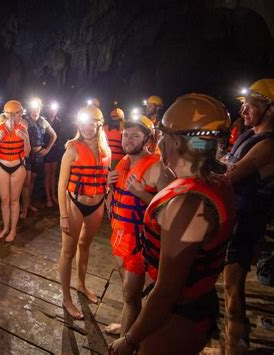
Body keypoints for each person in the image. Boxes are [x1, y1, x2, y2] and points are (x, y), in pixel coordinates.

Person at [109, 93, 235, 355]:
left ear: (175, 141)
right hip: (196, 301)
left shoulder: (187, 206)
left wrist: (129, 340)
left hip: (180, 313)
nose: (159, 142)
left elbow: (167, 291)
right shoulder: (216, 181)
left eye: (162, 135)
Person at [104, 114, 174, 336]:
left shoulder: (158, 168)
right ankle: (129, 322)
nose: (128, 140)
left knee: (131, 294)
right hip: (119, 235)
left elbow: (171, 213)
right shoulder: (124, 161)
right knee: (127, 291)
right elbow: (115, 198)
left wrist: (143, 194)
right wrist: (109, 186)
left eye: (135, 136)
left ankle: (128, 340)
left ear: (147, 139)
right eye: (125, 135)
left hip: (139, 243)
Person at [222, 79, 274, 353]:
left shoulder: (268, 145)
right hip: (234, 216)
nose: (243, 110)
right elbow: (229, 162)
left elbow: (231, 175)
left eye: (251, 105)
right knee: (230, 283)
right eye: (243, 104)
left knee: (232, 286)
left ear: (271, 110)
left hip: (247, 222)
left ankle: (236, 344)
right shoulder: (247, 135)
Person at [58, 106, 110, 319]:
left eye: (92, 123)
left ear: (99, 124)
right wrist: (63, 215)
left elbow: (106, 180)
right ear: (78, 125)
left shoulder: (106, 151)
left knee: (85, 245)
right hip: (75, 205)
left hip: (97, 205)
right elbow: (61, 185)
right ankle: (66, 298)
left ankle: (81, 284)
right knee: (68, 251)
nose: (88, 128)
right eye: (84, 123)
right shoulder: (72, 149)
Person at [0, 100, 30, 242]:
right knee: (5, 199)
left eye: (17, 115)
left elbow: (27, 152)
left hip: (18, 165)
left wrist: (25, 140)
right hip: (2, 165)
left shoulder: (23, 128)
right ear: (6, 115)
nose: (14, 118)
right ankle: (6, 228)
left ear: (20, 114)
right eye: (11, 115)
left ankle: (13, 230)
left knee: (14, 200)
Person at [21, 97, 57, 218]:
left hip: (38, 156)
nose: (35, 109)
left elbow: (54, 135)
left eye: (38, 107)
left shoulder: (43, 121)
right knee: (26, 182)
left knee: (31, 182)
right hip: (27, 155)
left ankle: (27, 203)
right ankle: (24, 208)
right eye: (33, 107)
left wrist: (47, 149)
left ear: (40, 108)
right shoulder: (24, 121)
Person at [44, 101, 64, 207]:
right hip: (47, 150)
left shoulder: (58, 122)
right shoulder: (44, 121)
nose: (53, 111)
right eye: (51, 109)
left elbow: (60, 137)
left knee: (53, 174)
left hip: (55, 150)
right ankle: (48, 198)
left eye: (55, 109)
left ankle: (53, 196)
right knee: (47, 175)